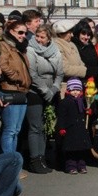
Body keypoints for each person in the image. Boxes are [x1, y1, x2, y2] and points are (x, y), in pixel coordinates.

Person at [25, 24, 62, 174]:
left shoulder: (55, 51)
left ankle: (43, 157)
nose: (39, 39)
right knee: (36, 127)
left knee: (46, 127)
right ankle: (35, 159)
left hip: (51, 91)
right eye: (37, 36)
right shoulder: (30, 49)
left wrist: (54, 89)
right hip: (35, 91)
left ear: (49, 39)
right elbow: (32, 74)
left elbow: (59, 73)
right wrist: (45, 90)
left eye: (42, 37)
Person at [0, 18, 31, 154]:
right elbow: (3, 64)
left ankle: (13, 163)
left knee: (16, 130)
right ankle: (7, 162)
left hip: (22, 91)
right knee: (10, 130)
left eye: (25, 33)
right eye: (20, 32)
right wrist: (17, 77)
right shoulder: (4, 45)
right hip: (9, 90)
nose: (23, 36)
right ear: (11, 31)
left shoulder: (20, 48)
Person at [56, 78, 93, 174]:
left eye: (77, 90)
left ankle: (81, 165)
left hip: (80, 129)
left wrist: (88, 111)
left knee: (81, 150)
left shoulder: (83, 101)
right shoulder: (65, 102)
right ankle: (71, 166)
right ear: (68, 90)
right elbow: (61, 116)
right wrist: (61, 128)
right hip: (70, 130)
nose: (75, 92)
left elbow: (86, 113)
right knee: (71, 150)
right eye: (73, 90)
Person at [52, 19, 87, 97]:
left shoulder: (72, 44)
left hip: (77, 85)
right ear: (61, 34)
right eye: (69, 33)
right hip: (65, 87)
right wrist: (83, 71)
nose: (72, 35)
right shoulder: (56, 45)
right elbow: (64, 68)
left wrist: (83, 68)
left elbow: (81, 62)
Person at [72, 18, 98, 87]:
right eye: (83, 34)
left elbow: (97, 63)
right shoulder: (74, 46)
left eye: (88, 34)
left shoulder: (90, 45)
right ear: (78, 33)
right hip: (80, 84)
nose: (86, 37)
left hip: (94, 83)